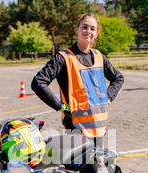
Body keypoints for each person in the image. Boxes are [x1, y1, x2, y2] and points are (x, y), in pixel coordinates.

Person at [31, 13, 124, 145]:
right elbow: (38, 82)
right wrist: (59, 106)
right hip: (75, 129)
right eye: (84, 27)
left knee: (99, 164)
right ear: (77, 30)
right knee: (77, 165)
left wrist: (108, 97)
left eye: (92, 28)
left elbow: (118, 78)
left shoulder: (99, 57)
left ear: (97, 33)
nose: (88, 31)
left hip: (99, 129)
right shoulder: (63, 57)